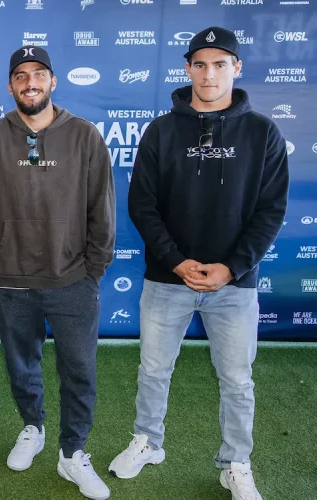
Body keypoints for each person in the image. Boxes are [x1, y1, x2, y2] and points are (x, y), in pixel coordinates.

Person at [109, 27, 289, 500]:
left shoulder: (263, 132)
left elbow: (271, 209)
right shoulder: (161, 130)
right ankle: (147, 442)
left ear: (236, 68)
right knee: (153, 369)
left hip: (235, 284)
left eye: (220, 64)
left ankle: (236, 463)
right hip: (167, 279)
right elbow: (142, 205)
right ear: (188, 68)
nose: (209, 74)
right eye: (200, 64)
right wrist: (176, 261)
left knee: (236, 380)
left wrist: (231, 267)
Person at [0, 46, 115, 500]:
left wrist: (94, 269)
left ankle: (72, 453)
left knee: (80, 372)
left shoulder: (85, 136)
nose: (29, 82)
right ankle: (32, 428)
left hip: (73, 278)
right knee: (21, 366)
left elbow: (102, 209)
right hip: (11, 278)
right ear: (11, 85)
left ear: (53, 82)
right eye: (20, 76)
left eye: (38, 74)